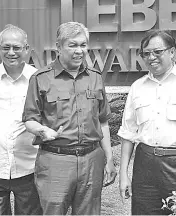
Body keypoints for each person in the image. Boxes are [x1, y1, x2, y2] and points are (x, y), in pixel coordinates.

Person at [22, 21, 117, 215]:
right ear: (58, 46)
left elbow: (103, 121)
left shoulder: (95, 77)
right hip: (56, 160)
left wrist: (108, 158)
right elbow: (29, 119)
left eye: (83, 45)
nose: (79, 51)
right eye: (72, 45)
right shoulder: (41, 78)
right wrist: (42, 130)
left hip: (92, 158)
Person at [118, 29, 176, 215]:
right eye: (146, 53)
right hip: (145, 166)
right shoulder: (137, 87)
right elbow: (127, 134)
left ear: (172, 52)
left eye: (157, 51)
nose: (151, 57)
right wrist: (124, 174)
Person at [0, 24, 43, 215]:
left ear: (27, 48)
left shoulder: (39, 78)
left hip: (29, 166)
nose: (11, 52)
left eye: (17, 47)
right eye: (6, 48)